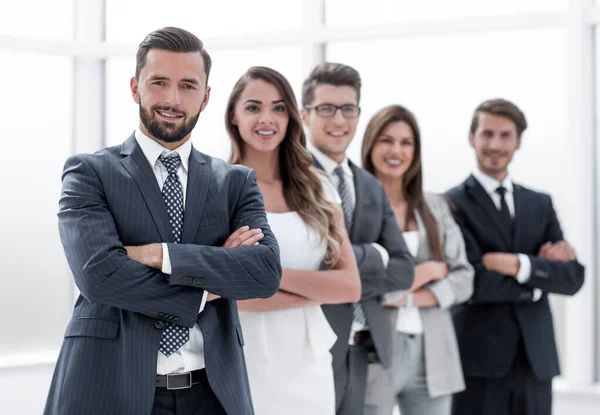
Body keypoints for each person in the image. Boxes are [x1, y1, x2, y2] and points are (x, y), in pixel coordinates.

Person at [44, 27, 282, 415]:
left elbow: (264, 273)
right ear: (136, 88)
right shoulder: (89, 172)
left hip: (213, 394)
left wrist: (159, 255)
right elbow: (99, 276)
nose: (173, 99)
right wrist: (208, 288)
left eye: (188, 86)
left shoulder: (235, 182)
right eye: (159, 82)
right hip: (107, 388)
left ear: (205, 97)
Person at [225, 66, 361, 415]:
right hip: (242, 357)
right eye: (253, 107)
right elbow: (226, 297)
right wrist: (315, 290)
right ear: (234, 116)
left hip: (309, 361)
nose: (267, 118)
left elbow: (349, 286)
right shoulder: (217, 190)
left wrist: (265, 274)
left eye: (279, 107)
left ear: (291, 118)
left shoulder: (318, 187)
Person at [446, 98, 585, 415]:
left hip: (536, 361)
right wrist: (539, 277)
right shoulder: (451, 204)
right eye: (487, 134)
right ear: (472, 138)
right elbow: (475, 282)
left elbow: (573, 278)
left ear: (518, 141)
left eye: (505, 135)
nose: (495, 144)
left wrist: (516, 265)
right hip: (478, 363)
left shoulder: (540, 204)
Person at [301, 62, 415, 414]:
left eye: (348, 109)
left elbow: (404, 270)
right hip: (312, 346)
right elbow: (305, 262)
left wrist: (344, 270)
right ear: (305, 116)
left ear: (358, 114)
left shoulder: (369, 185)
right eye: (326, 109)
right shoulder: (291, 179)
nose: (339, 120)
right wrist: (374, 256)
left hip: (364, 348)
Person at [360, 104, 474, 415]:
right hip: (376, 351)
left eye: (406, 142)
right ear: (370, 145)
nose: (396, 150)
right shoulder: (355, 207)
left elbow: (464, 279)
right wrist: (425, 272)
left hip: (434, 354)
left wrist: (409, 298)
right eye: (386, 140)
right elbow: (362, 282)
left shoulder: (436, 207)